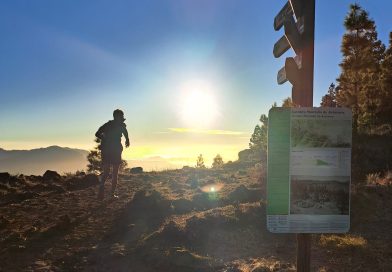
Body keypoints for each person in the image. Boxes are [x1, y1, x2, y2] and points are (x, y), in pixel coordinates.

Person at [95, 109, 130, 199]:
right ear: (118, 116)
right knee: (115, 173)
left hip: (106, 150)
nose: (122, 117)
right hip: (115, 150)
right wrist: (127, 140)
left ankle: (101, 188)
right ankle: (112, 194)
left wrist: (104, 139)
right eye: (121, 116)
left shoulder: (107, 124)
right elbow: (125, 132)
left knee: (106, 172)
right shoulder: (121, 125)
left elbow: (97, 134)